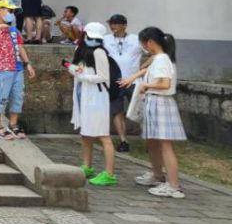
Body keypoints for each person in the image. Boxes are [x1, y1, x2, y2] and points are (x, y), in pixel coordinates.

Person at [121, 27, 186, 199]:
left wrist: (145, 85)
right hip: (155, 102)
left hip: (160, 102)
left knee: (165, 145)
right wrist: (135, 77)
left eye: (144, 44)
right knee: (153, 143)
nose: (144, 47)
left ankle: (173, 185)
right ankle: (158, 176)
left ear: (150, 42)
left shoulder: (162, 59)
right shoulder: (159, 58)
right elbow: (147, 70)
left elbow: (165, 84)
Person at [68, 22, 117, 186]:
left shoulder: (99, 52)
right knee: (86, 133)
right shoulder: (80, 49)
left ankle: (109, 173)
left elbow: (103, 77)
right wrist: (73, 70)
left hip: (97, 96)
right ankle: (87, 166)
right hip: (82, 95)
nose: (93, 40)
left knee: (103, 135)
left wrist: (83, 77)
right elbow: (77, 68)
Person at [0, 0, 35, 140]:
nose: (11, 13)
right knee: (1, 96)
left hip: (17, 68)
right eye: (9, 10)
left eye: (12, 11)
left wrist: (28, 64)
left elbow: (20, 47)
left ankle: (13, 124)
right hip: (2, 68)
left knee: (17, 97)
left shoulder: (14, 30)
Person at [103, 14, 142, 153]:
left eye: (116, 23)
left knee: (140, 110)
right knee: (117, 112)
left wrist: (143, 68)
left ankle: (150, 140)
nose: (112, 26)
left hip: (133, 81)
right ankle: (123, 141)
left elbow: (153, 53)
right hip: (114, 81)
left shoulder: (136, 39)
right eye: (111, 23)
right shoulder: (105, 39)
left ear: (124, 25)